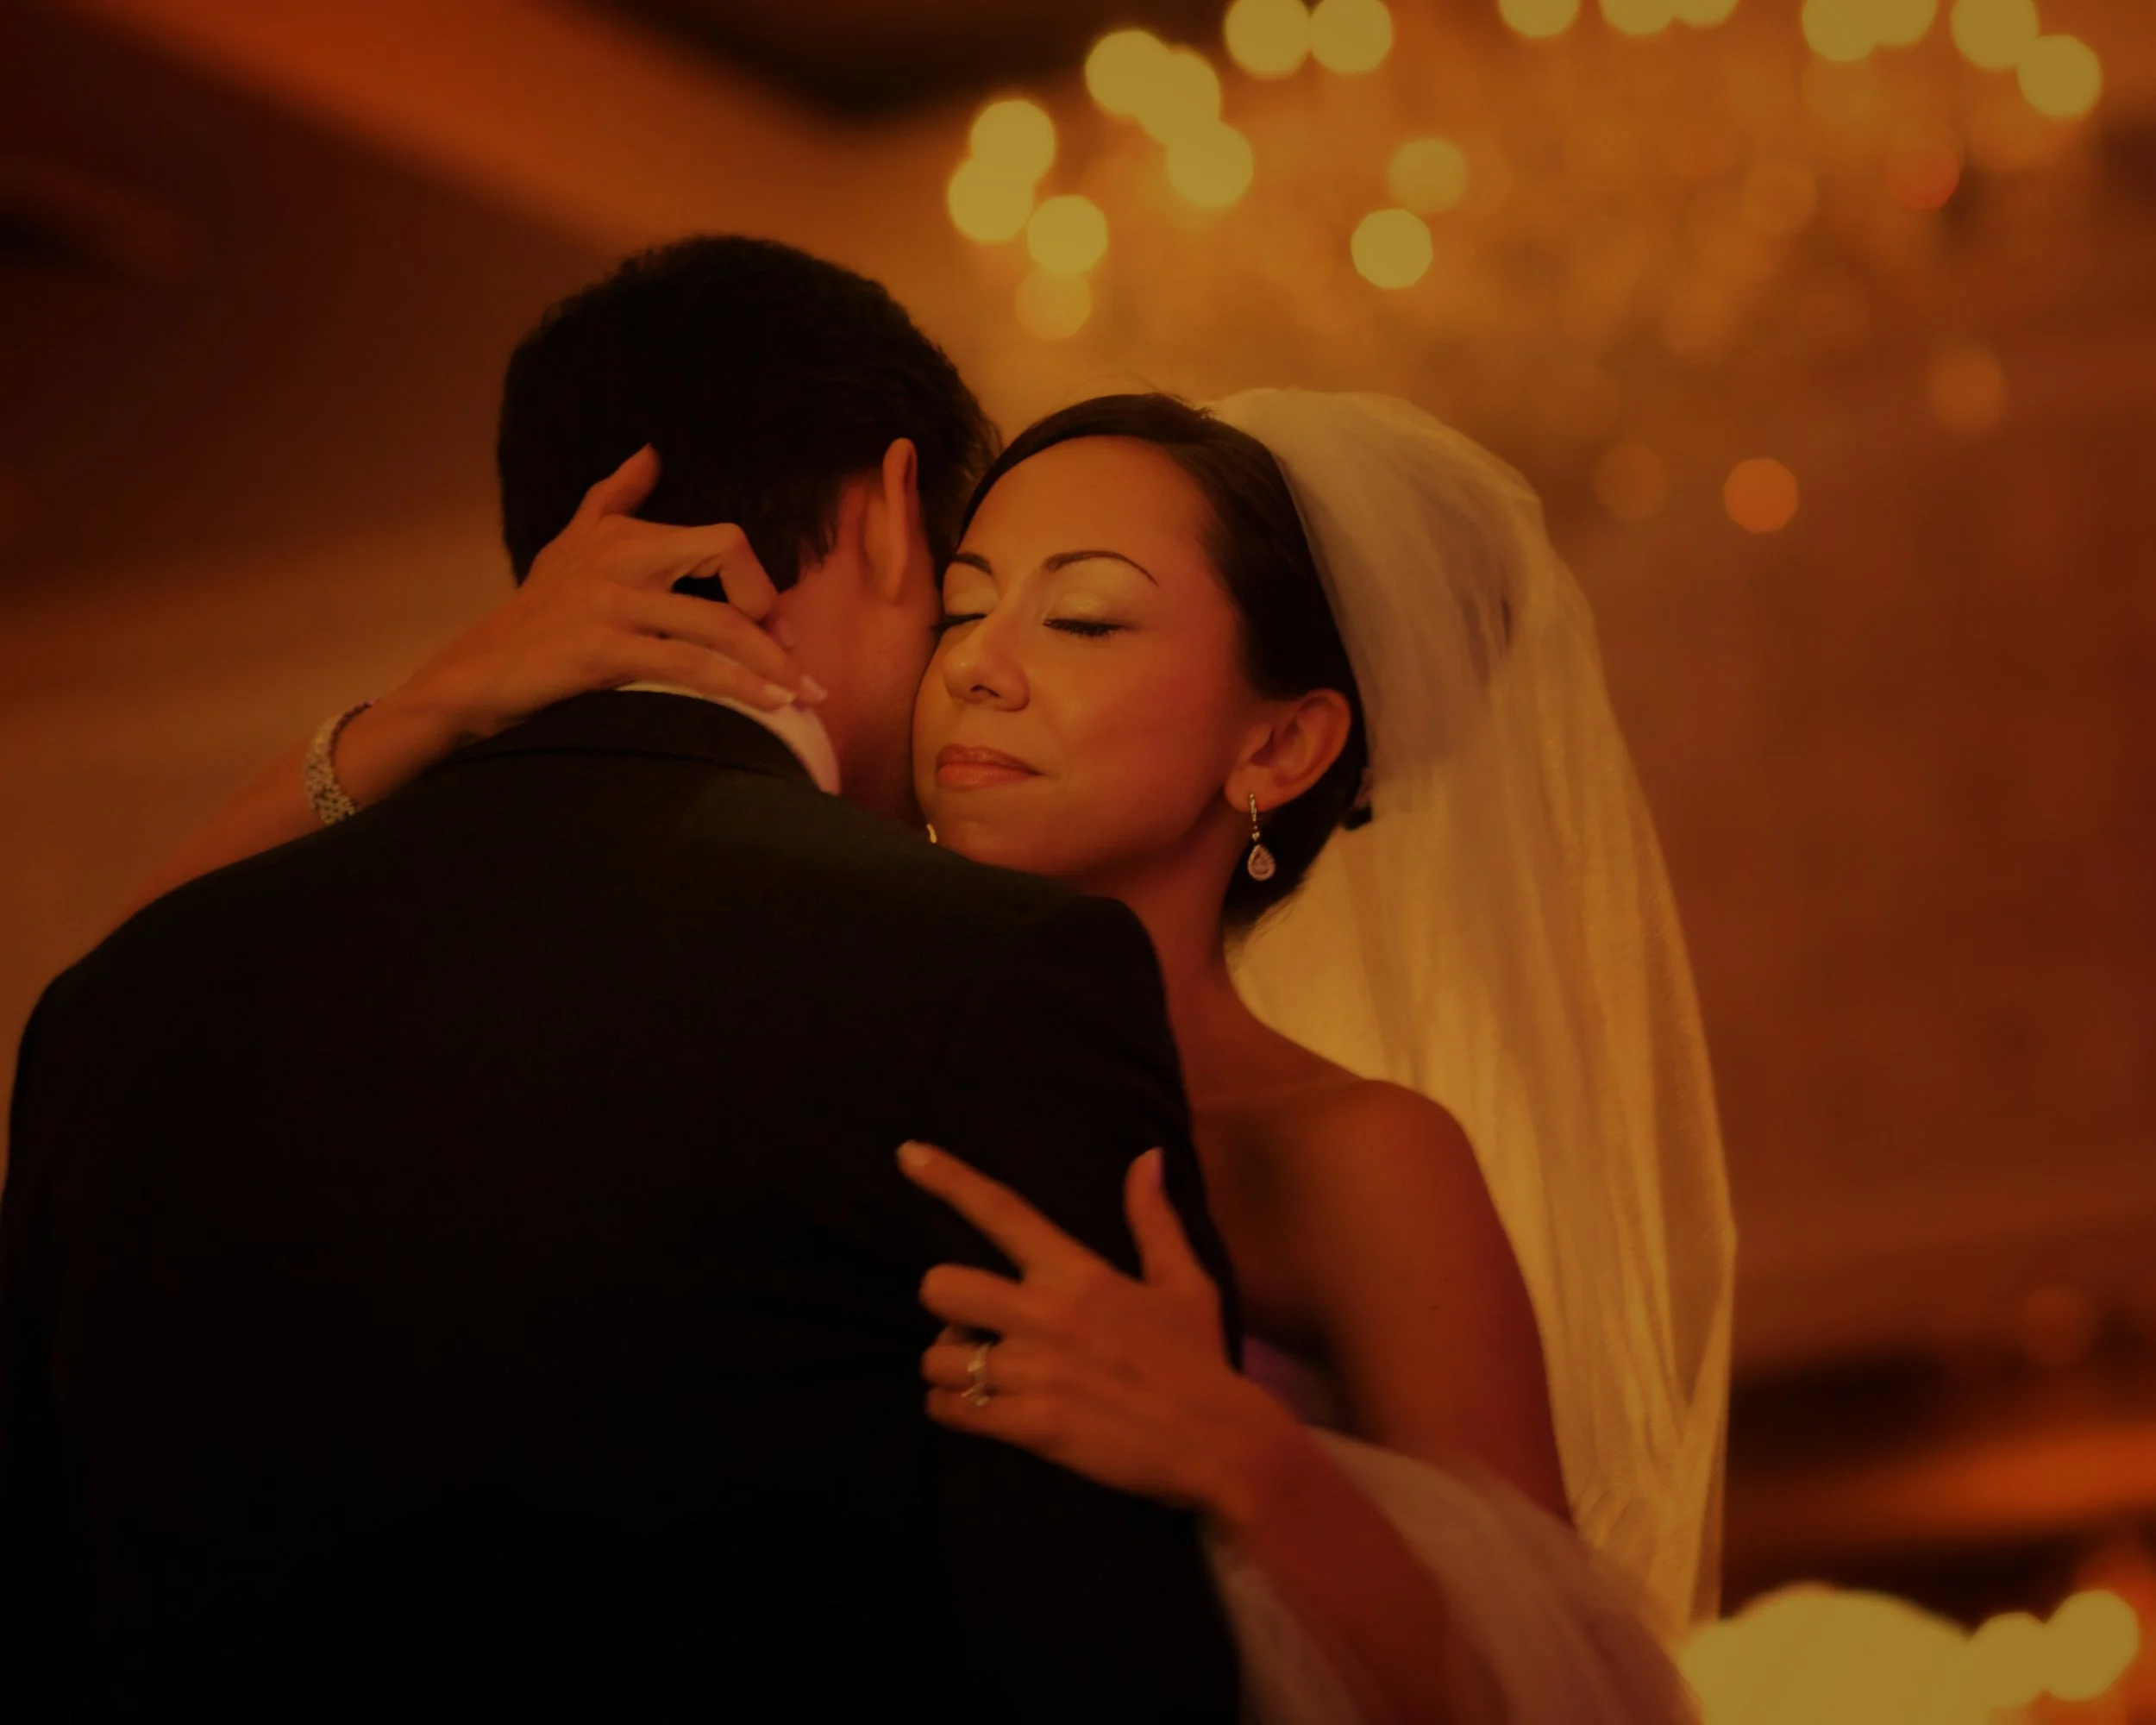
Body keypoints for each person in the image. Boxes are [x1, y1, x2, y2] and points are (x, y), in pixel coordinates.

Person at [23, 258, 1737, 1720]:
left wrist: (1244, 1452)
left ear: (1278, 740)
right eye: (966, 601)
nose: (977, 662)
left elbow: (1562, 1687)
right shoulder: (852, 1016)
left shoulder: (1354, 1150)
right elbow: (160, 981)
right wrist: (438, 703)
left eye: (1081, 619)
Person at [0, 237, 1248, 1721]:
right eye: (965, 596)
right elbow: (1102, 1657)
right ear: (898, 513)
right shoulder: (991, 972)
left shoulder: (112, 1009)